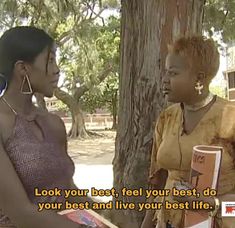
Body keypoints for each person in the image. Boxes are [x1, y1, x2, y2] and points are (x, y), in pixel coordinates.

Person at [0, 26, 93, 228]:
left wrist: (103, 212)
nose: (57, 69)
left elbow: (66, 188)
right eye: (50, 60)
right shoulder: (2, 125)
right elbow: (21, 212)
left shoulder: (54, 124)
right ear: (23, 68)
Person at [141, 36, 235, 228]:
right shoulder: (167, 118)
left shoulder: (231, 118)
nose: (164, 80)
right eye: (166, 73)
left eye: (173, 74)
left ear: (199, 78)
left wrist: (212, 204)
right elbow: (158, 183)